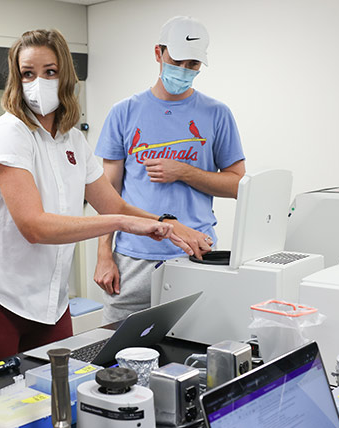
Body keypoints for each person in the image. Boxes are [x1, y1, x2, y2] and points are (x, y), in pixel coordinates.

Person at [0, 29, 211, 360]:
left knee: (60, 391)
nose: (39, 82)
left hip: (49, 299)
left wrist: (166, 224)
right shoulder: (10, 134)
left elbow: (112, 203)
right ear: (16, 79)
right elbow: (34, 227)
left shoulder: (71, 139)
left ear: (65, 74)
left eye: (50, 71)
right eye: (28, 73)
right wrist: (124, 223)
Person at [94, 16, 246, 323]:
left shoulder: (217, 114)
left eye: (193, 65)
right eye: (178, 61)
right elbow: (107, 194)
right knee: (118, 358)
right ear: (158, 53)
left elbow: (238, 185)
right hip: (132, 258)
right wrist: (103, 255)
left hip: (194, 253)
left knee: (193, 351)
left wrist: (185, 172)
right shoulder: (123, 112)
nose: (185, 71)